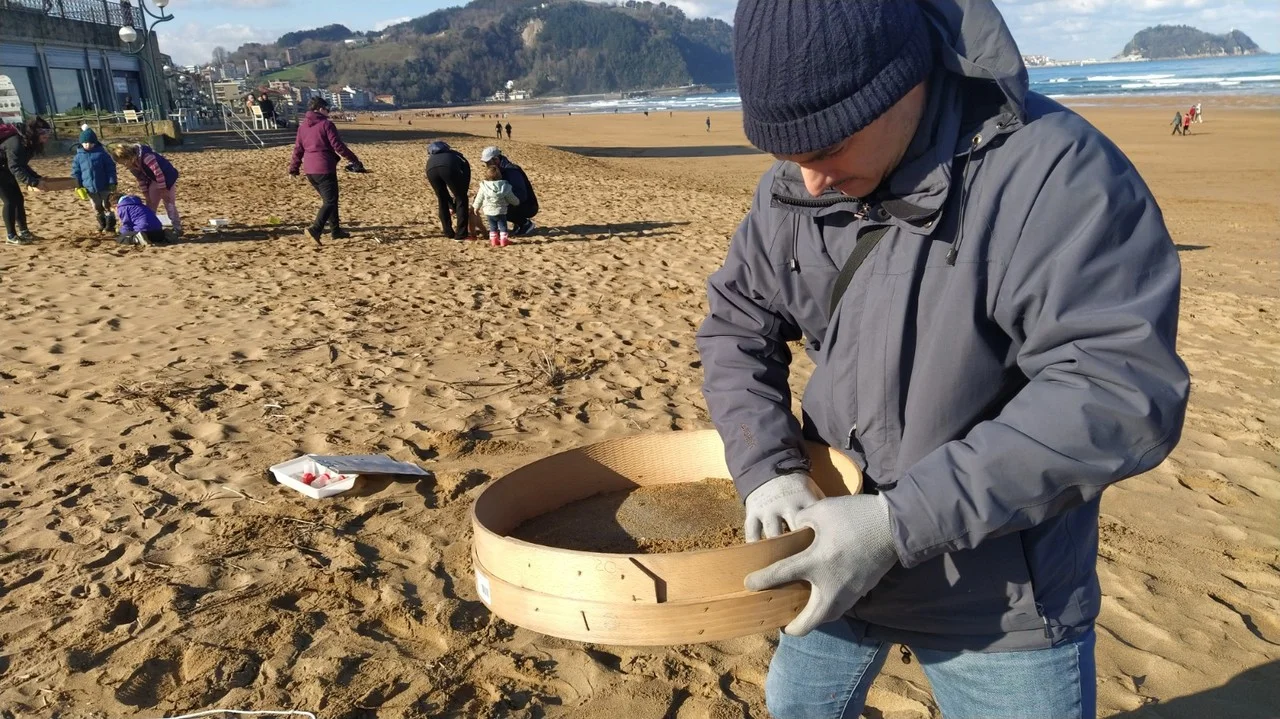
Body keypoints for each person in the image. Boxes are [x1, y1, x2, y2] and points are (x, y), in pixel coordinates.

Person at [697, 2, 1189, 718]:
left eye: (828, 146)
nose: (810, 182)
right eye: (787, 153)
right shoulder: (801, 180)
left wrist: (897, 523)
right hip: (827, 553)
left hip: (998, 602)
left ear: (901, 83)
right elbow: (736, 325)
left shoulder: (1057, 174)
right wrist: (767, 468)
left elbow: (1118, 388)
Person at [288, 96, 363, 245]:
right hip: (324, 167)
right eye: (327, 109)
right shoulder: (326, 124)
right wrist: (354, 160)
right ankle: (315, 229)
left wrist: (294, 169)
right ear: (320, 109)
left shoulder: (303, 127)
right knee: (330, 201)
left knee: (330, 200)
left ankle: (336, 231)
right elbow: (338, 145)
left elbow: (298, 149)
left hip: (310, 170)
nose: (328, 112)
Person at [109, 142, 181, 236]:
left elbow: (158, 173)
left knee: (168, 202)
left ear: (128, 156)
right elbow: (140, 179)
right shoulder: (132, 166)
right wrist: (146, 194)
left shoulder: (147, 157)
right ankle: (150, 226)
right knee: (150, 203)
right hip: (153, 180)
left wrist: (163, 189)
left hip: (168, 177)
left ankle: (177, 227)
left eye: (123, 162)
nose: (124, 165)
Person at [0, 121, 45, 245]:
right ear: (35, 133)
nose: (47, 137)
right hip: (2, 170)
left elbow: (21, 164)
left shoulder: (27, 142)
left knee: (18, 199)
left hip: (5, 169)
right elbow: (15, 167)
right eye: (44, 134)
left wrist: (36, 177)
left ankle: (24, 232)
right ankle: (11, 236)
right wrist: (33, 182)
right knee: (9, 201)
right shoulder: (16, 143)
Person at [480, 146, 538, 236]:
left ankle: (525, 223)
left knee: (498, 207)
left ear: (496, 160)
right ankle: (519, 223)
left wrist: (503, 199)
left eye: (488, 162)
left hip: (528, 205)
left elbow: (521, 195)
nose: (487, 165)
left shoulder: (512, 171)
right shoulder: (498, 170)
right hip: (516, 201)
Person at [71, 128, 118, 234]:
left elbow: (111, 169)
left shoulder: (102, 154)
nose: (87, 145)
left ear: (95, 143)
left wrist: (112, 182)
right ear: (81, 143)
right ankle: (102, 224)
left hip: (105, 185)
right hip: (89, 187)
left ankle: (110, 226)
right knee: (96, 206)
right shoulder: (78, 157)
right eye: (85, 143)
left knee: (107, 205)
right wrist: (78, 185)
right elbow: (76, 172)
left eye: (90, 143)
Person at [425, 140, 471, 241]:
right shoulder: (456, 155)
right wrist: (462, 192)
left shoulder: (431, 158)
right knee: (461, 199)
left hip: (430, 169)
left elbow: (444, 195)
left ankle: (448, 232)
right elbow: (466, 172)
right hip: (449, 167)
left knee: (441, 199)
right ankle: (461, 234)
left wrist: (451, 205)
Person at [471, 162, 520, 247]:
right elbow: (511, 197)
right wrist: (516, 202)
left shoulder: (484, 187)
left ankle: (493, 240)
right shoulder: (505, 186)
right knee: (503, 226)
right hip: (501, 211)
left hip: (489, 211)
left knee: (492, 226)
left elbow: (479, 198)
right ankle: (503, 240)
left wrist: (476, 207)